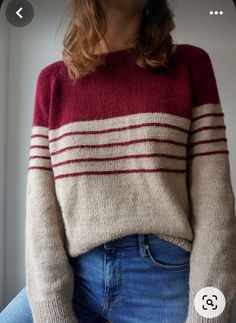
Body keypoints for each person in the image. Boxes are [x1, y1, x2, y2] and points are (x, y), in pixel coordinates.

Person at [1, 0, 236, 322]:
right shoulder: (53, 82)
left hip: (163, 276)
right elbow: (41, 210)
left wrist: (209, 313)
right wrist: (52, 312)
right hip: (77, 277)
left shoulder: (189, 65)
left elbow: (216, 205)